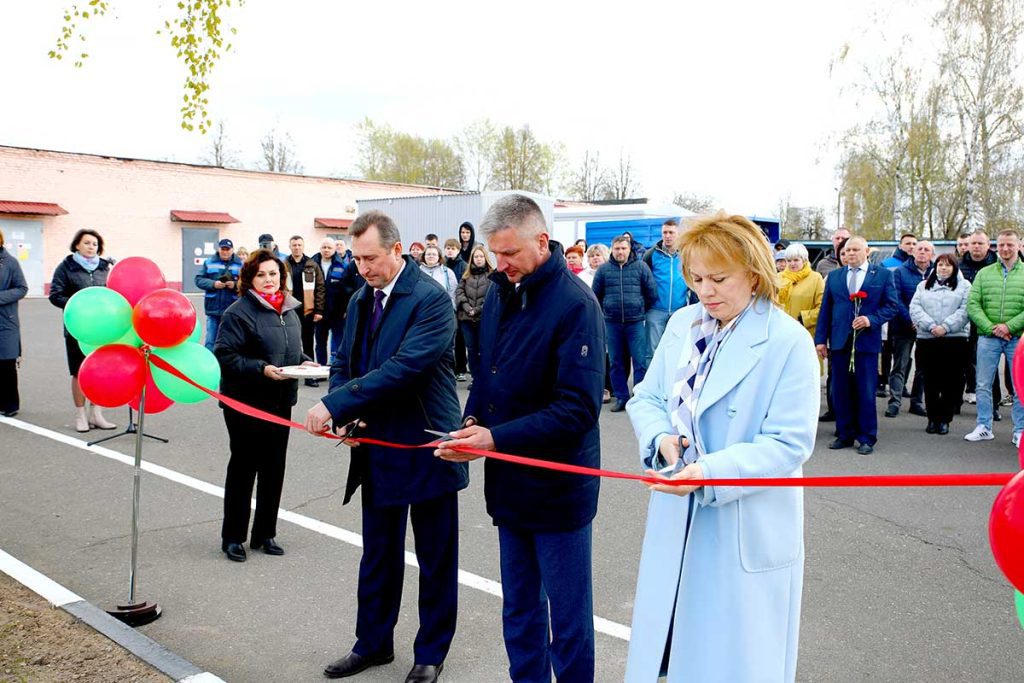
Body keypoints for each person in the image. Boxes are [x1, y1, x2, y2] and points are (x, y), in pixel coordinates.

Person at [624, 211, 818, 682]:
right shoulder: (681, 324)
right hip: (678, 511)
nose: (704, 291)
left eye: (718, 278)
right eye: (695, 278)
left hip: (742, 519)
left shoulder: (788, 341)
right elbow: (647, 397)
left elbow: (789, 443)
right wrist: (661, 439)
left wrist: (710, 472)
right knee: (672, 650)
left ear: (754, 273)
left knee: (734, 659)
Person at [436, 193, 604, 683]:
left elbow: (577, 409)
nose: (500, 263)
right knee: (520, 611)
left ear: (542, 241)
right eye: (494, 253)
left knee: (568, 624)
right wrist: (470, 426)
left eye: (509, 253)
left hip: (558, 490)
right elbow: (489, 378)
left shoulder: (576, 305)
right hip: (509, 485)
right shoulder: (499, 293)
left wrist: (493, 439)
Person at [304, 211, 468, 683]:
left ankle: (430, 654)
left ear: (398, 250)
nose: (363, 267)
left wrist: (335, 405)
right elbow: (343, 358)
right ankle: (372, 643)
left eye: (371, 258)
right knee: (378, 553)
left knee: (436, 557)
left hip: (426, 446)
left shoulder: (431, 301)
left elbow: (405, 367)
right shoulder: (359, 299)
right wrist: (344, 405)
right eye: (356, 259)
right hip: (375, 445)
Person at [214, 249, 316, 563]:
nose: (268, 280)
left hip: (281, 400)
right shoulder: (238, 312)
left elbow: (292, 353)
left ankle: (265, 534)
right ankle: (233, 537)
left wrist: (307, 364)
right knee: (244, 468)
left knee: (274, 468)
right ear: (249, 279)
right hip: (245, 403)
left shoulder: (290, 309)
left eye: (273, 274)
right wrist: (260, 368)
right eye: (261, 275)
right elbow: (225, 354)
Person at [815, 236, 899, 455]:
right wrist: (820, 340)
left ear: (867, 251)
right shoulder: (835, 277)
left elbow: (892, 306)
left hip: (866, 343)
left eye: (855, 249)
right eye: (847, 250)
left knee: (865, 390)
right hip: (840, 341)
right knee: (840, 390)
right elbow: (825, 310)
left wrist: (871, 319)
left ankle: (866, 437)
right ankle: (844, 433)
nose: (850, 254)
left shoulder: (882, 275)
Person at [49, 228, 118, 433]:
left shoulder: (105, 268)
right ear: (77, 245)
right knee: (79, 372)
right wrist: (79, 304)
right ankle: (80, 415)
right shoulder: (66, 267)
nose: (91, 247)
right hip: (77, 329)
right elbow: (55, 295)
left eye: (95, 244)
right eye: (87, 243)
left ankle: (96, 414)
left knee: (99, 372)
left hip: (103, 329)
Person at [964, 229, 1024, 445]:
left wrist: (1009, 326)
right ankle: (984, 426)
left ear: (1018, 245)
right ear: (995, 247)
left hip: (1017, 338)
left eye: (1010, 244)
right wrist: (991, 328)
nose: (1005, 249)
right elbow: (973, 304)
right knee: (983, 383)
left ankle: (1020, 431)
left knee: (1019, 386)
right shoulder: (985, 273)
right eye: (1001, 245)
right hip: (988, 337)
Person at [592, 235, 658, 412]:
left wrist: (639, 308)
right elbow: (595, 295)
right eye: (617, 249)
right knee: (615, 362)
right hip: (612, 323)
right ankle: (621, 397)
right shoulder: (604, 270)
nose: (620, 252)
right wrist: (605, 311)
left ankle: (640, 397)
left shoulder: (641, 267)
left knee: (640, 361)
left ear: (629, 250)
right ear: (612, 249)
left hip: (635, 323)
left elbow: (651, 293)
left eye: (624, 248)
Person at [910, 254, 971, 435]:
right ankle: (932, 418)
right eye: (940, 265)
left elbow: (965, 310)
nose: (943, 268)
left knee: (951, 381)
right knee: (930, 380)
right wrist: (930, 326)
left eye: (947, 265)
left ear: (954, 268)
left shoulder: (965, 286)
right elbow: (915, 308)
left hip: (954, 339)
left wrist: (946, 327)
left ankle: (945, 419)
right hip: (928, 339)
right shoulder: (923, 286)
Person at [886, 240, 933, 418]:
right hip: (903, 326)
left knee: (923, 367)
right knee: (900, 365)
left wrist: (925, 322)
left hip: (927, 328)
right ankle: (895, 402)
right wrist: (912, 320)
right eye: (919, 249)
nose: (922, 252)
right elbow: (895, 299)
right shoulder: (900, 272)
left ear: (931, 254)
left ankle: (916, 402)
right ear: (913, 252)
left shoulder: (937, 273)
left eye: (926, 249)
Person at [642, 219, 689, 365]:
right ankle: (651, 385)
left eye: (671, 232)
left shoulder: (686, 254)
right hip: (656, 310)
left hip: (679, 310)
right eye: (665, 232)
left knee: (676, 349)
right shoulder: (651, 255)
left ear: (678, 234)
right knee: (652, 351)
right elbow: (643, 281)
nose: (667, 236)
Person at [960, 229, 998, 406]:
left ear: (988, 245)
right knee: (962, 362)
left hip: (989, 322)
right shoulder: (959, 265)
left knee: (990, 366)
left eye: (980, 243)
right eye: (973, 243)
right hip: (963, 322)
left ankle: (994, 404)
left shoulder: (997, 265)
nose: (976, 246)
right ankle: (956, 402)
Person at [286, 236, 326, 387]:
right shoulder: (283, 265)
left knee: (308, 343)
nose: (297, 247)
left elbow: (320, 288)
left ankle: (310, 377)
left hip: (307, 311)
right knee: (289, 344)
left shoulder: (312, 264)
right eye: (294, 245)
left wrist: (319, 310)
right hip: (289, 310)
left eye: (299, 245)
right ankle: (289, 374)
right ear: (290, 247)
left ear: (303, 246)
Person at [777, 243, 825, 362]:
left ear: (804, 260)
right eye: (788, 260)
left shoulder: (816, 278)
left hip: (806, 334)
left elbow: (823, 308)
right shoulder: (778, 277)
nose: (792, 264)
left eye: (796, 260)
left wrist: (803, 318)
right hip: (781, 334)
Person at [194, 238, 243, 351]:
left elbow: (247, 283)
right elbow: (198, 280)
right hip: (213, 310)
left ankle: (226, 364)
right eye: (223, 249)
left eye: (227, 249)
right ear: (218, 249)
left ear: (232, 250)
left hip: (232, 310)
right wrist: (213, 284)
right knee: (211, 341)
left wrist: (235, 285)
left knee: (231, 340)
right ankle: (208, 363)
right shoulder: (209, 262)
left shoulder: (241, 264)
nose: (225, 252)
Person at [455, 244, 492, 388]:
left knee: (484, 349)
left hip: (484, 319)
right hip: (466, 319)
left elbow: (492, 297)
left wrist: (477, 310)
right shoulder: (466, 275)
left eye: (481, 256)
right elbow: (459, 293)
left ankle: (485, 378)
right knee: (471, 349)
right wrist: (467, 307)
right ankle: (476, 379)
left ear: (485, 258)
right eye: (476, 256)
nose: (478, 259)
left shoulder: (492, 275)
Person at [0, 227, 28, 417]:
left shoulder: (10, 262)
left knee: (6, 362)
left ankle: (10, 404)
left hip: (5, 320)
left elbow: (21, 288)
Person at [312, 237, 349, 366]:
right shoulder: (312, 264)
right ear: (320, 249)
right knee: (320, 342)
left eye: (329, 248)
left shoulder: (342, 266)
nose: (326, 250)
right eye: (324, 247)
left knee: (339, 341)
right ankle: (320, 369)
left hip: (337, 311)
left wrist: (345, 309)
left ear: (334, 250)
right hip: (319, 311)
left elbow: (346, 291)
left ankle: (337, 369)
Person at [444, 239, 469, 381]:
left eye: (453, 248)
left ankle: (461, 369)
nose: (450, 250)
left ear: (458, 250)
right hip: (446, 307)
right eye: (447, 248)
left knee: (460, 340)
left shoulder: (463, 266)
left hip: (459, 307)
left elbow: (464, 286)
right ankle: (450, 368)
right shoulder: (443, 264)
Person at [419, 244, 458, 310]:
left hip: (442, 310)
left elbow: (453, 292)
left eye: (434, 254)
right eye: (428, 254)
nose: (431, 256)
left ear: (439, 257)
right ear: (424, 256)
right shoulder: (417, 272)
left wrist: (451, 308)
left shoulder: (447, 272)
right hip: (422, 310)